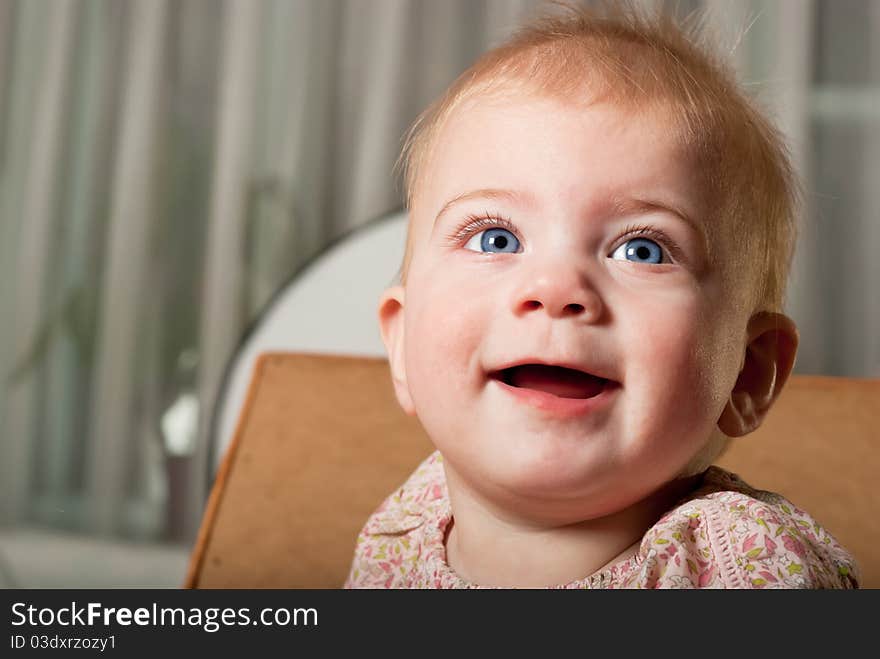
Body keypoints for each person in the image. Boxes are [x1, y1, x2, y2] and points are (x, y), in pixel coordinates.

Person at [344, 2, 859, 589]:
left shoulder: (742, 566)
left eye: (642, 250)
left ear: (747, 372)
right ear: (401, 342)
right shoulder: (401, 530)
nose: (557, 289)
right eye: (496, 237)